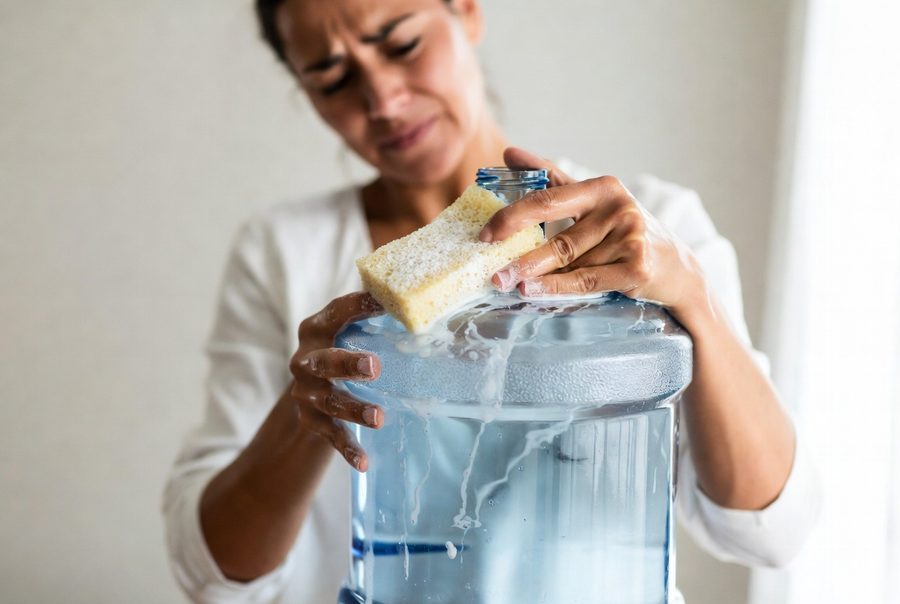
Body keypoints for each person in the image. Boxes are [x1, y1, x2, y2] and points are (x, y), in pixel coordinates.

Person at [162, 0, 822, 602]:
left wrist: (693, 302)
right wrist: (303, 406)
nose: (383, 100)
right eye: (332, 78)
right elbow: (214, 575)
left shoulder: (650, 231)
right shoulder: (284, 253)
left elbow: (770, 531)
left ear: (467, 12)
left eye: (401, 43)